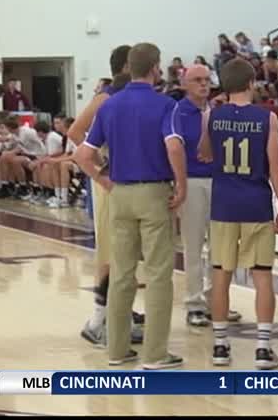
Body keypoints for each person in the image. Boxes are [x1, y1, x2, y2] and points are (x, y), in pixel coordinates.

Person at [74, 42, 187, 370]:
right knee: (157, 274)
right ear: (155, 67)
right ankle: (155, 354)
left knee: (122, 274)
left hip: (119, 194)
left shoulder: (109, 105)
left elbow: (83, 154)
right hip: (154, 193)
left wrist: (104, 180)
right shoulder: (166, 104)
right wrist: (181, 184)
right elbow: (174, 147)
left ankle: (117, 350)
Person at [197, 57, 278, 370]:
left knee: (221, 276)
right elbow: (276, 166)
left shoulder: (211, 115)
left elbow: (204, 153)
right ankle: (263, 349)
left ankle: (221, 346)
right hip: (256, 203)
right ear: (252, 83)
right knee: (262, 277)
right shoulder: (268, 119)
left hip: (223, 205)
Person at [67, 46, 144, 348]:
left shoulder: (126, 97)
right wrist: (101, 164)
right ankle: (99, 321)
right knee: (111, 253)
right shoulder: (106, 97)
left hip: (127, 182)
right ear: (127, 66)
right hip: (109, 183)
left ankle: (117, 315)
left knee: (124, 253)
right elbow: (75, 132)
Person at [172, 64, 242, 327]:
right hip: (192, 181)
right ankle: (194, 302)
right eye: (197, 80)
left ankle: (218, 301)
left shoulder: (217, 111)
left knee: (221, 245)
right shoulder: (178, 111)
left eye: (206, 80)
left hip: (220, 181)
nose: (203, 84)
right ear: (185, 84)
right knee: (193, 244)